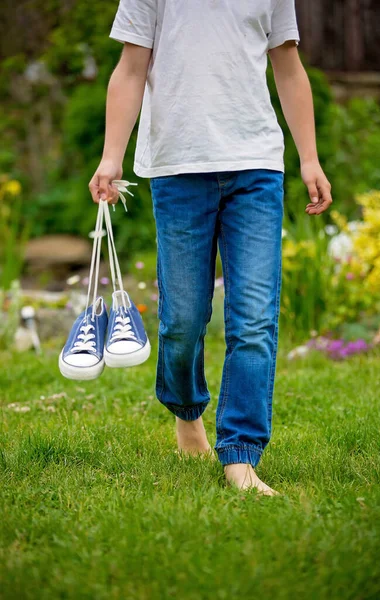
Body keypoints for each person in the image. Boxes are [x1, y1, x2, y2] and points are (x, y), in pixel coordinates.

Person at [88, 0, 332, 496]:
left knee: (255, 318)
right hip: (179, 170)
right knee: (182, 319)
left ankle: (240, 455)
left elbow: (288, 66)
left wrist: (309, 158)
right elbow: (131, 67)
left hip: (256, 166)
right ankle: (185, 408)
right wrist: (112, 156)